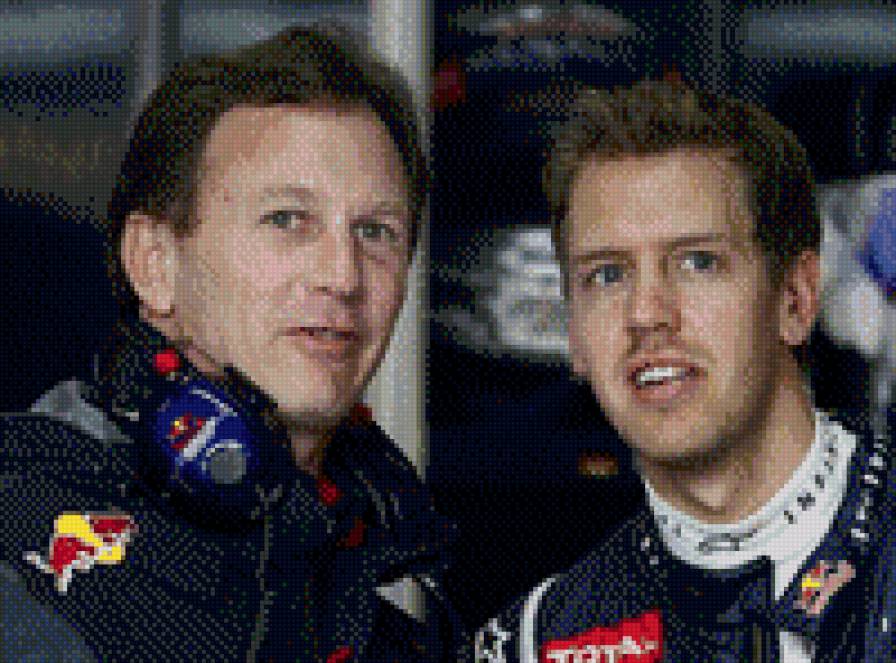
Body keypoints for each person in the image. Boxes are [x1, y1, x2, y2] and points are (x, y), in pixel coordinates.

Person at [0, 25, 459, 662]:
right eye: (286, 219)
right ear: (154, 263)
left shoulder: (398, 628)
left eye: (376, 231)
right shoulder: (19, 527)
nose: (343, 276)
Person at [466, 80, 895, 662]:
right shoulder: (533, 643)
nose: (645, 313)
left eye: (697, 262)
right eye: (607, 275)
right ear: (575, 335)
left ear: (795, 299)